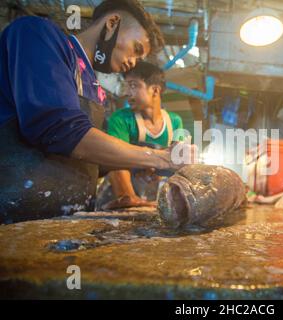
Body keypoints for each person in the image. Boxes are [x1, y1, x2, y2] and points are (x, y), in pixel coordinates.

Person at [0, 0, 195, 223]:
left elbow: (87, 162)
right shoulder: (38, 35)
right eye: (136, 49)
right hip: (14, 219)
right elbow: (60, 130)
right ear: (112, 23)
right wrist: (161, 158)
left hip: (66, 221)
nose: (132, 63)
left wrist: (140, 160)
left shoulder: (93, 87)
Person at [99, 61, 185, 209]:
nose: (127, 93)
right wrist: (128, 197)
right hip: (117, 198)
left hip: (152, 199)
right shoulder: (121, 119)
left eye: (133, 85)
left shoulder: (175, 122)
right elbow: (116, 160)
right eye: (126, 86)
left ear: (155, 91)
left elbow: (177, 164)